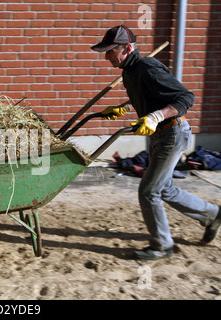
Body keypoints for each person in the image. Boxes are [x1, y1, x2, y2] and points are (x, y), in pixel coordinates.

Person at [91, 25, 220, 260]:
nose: (107, 56)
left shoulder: (148, 67)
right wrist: (125, 107)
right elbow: (149, 96)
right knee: (163, 188)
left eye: (110, 51)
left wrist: (157, 116)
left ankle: (162, 245)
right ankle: (211, 214)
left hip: (172, 132)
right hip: (160, 135)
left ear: (128, 48)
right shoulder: (129, 72)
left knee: (149, 191)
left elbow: (186, 97)